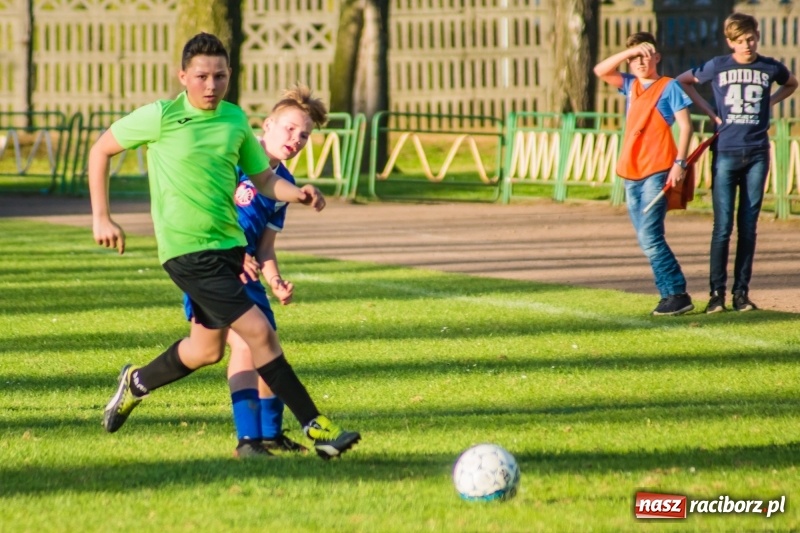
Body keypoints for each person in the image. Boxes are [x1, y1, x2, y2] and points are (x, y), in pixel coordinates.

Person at [89, 32, 360, 459]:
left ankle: (135, 383)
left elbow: (266, 179)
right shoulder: (160, 117)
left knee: (205, 350)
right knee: (259, 333)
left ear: (229, 75)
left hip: (230, 251)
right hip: (187, 251)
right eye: (201, 76)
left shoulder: (234, 120)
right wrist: (102, 217)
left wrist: (299, 194)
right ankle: (314, 427)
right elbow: (100, 150)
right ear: (183, 77)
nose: (211, 85)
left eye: (219, 76)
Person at [184, 84, 326, 457]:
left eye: (305, 136)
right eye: (290, 129)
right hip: (214, 266)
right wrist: (231, 254)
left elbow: (264, 248)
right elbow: (206, 215)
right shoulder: (234, 162)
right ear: (267, 126)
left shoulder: (286, 185)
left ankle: (270, 435)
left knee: (268, 346)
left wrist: (275, 280)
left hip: (246, 274)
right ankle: (248, 441)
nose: (296, 140)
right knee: (246, 346)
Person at [677, 12, 798, 314]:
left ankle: (741, 293)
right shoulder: (718, 65)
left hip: (757, 152)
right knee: (722, 227)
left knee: (749, 226)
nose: (748, 44)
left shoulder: (769, 66)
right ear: (730, 42)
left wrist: (769, 102)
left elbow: (792, 83)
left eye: (752, 38)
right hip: (726, 152)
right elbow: (683, 81)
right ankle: (716, 293)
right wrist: (709, 110)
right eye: (741, 40)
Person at [594, 32, 695, 316]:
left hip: (658, 168)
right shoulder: (629, 85)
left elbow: (686, 127)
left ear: (657, 57)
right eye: (634, 57)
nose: (640, 61)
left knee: (650, 236)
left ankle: (676, 293)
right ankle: (670, 295)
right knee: (645, 237)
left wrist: (680, 163)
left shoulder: (669, 86)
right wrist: (630, 52)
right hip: (631, 171)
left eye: (645, 55)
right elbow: (601, 71)